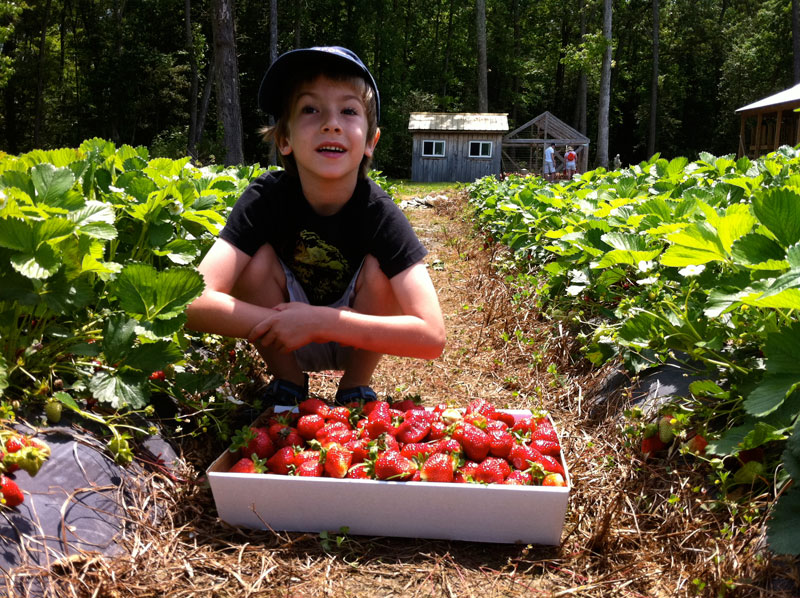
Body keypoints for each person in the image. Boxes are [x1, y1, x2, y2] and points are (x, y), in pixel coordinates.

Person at [185, 46, 446, 406]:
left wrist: (321, 322)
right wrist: (290, 323)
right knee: (255, 260)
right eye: (310, 109)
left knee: (381, 269)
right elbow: (192, 300)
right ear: (284, 139)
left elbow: (432, 336)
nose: (331, 123)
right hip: (282, 332)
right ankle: (289, 382)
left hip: (358, 334)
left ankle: (355, 385)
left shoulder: (379, 212)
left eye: (349, 110)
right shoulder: (265, 198)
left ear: (371, 141)